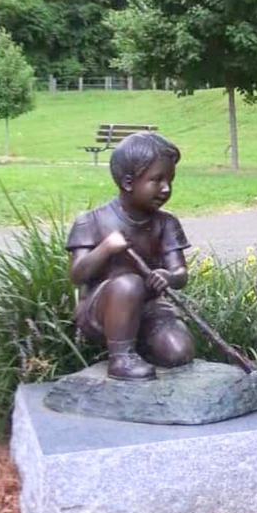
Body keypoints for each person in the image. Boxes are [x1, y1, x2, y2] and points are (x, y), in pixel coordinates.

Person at [66, 132, 195, 381]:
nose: (166, 188)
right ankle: (121, 356)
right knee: (129, 282)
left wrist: (169, 276)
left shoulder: (166, 224)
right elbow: (77, 274)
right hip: (101, 311)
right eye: (157, 180)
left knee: (179, 353)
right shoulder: (90, 221)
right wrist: (105, 248)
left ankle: (143, 345)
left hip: (149, 309)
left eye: (170, 180)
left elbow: (180, 273)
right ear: (128, 182)